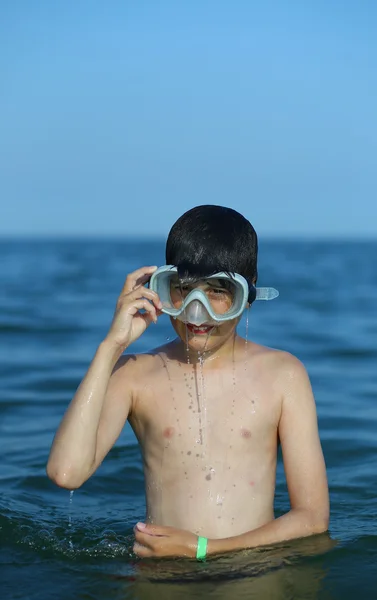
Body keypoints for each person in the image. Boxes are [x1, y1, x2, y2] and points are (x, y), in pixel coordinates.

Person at [47, 205, 329, 561]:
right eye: (183, 290)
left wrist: (205, 550)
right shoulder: (135, 374)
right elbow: (65, 472)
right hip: (163, 579)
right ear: (160, 290)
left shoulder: (284, 376)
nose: (198, 312)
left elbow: (313, 518)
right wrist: (111, 346)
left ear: (249, 294)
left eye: (218, 291)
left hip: (249, 574)